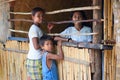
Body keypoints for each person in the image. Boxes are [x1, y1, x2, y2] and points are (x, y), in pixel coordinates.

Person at [26, 7, 45, 80]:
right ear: (33, 17)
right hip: (35, 60)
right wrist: (45, 46)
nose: (41, 18)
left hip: (34, 59)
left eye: (42, 16)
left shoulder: (37, 28)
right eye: (38, 16)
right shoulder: (34, 29)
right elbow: (36, 46)